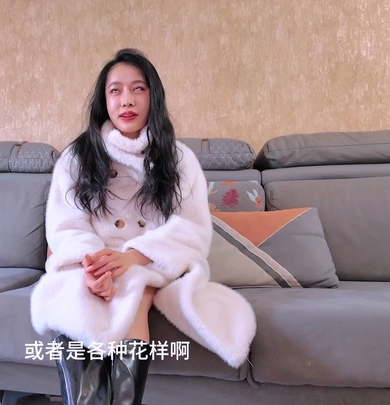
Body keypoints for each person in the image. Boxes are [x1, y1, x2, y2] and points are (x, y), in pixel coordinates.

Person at [30, 48, 256, 405]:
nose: (127, 100)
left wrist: (132, 257)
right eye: (115, 90)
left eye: (138, 89)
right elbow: (66, 225)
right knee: (73, 294)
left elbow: (191, 228)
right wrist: (95, 267)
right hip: (91, 260)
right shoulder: (77, 157)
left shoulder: (178, 159)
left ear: (153, 96)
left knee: (134, 289)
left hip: (152, 261)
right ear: (104, 101)